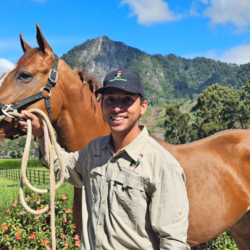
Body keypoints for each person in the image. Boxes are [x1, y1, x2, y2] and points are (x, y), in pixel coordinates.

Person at [20, 69, 190, 250]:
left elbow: (173, 242)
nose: (117, 108)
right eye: (110, 100)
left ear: (143, 107)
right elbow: (63, 166)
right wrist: (40, 134)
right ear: (101, 105)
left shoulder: (163, 165)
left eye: (127, 100)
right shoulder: (94, 150)